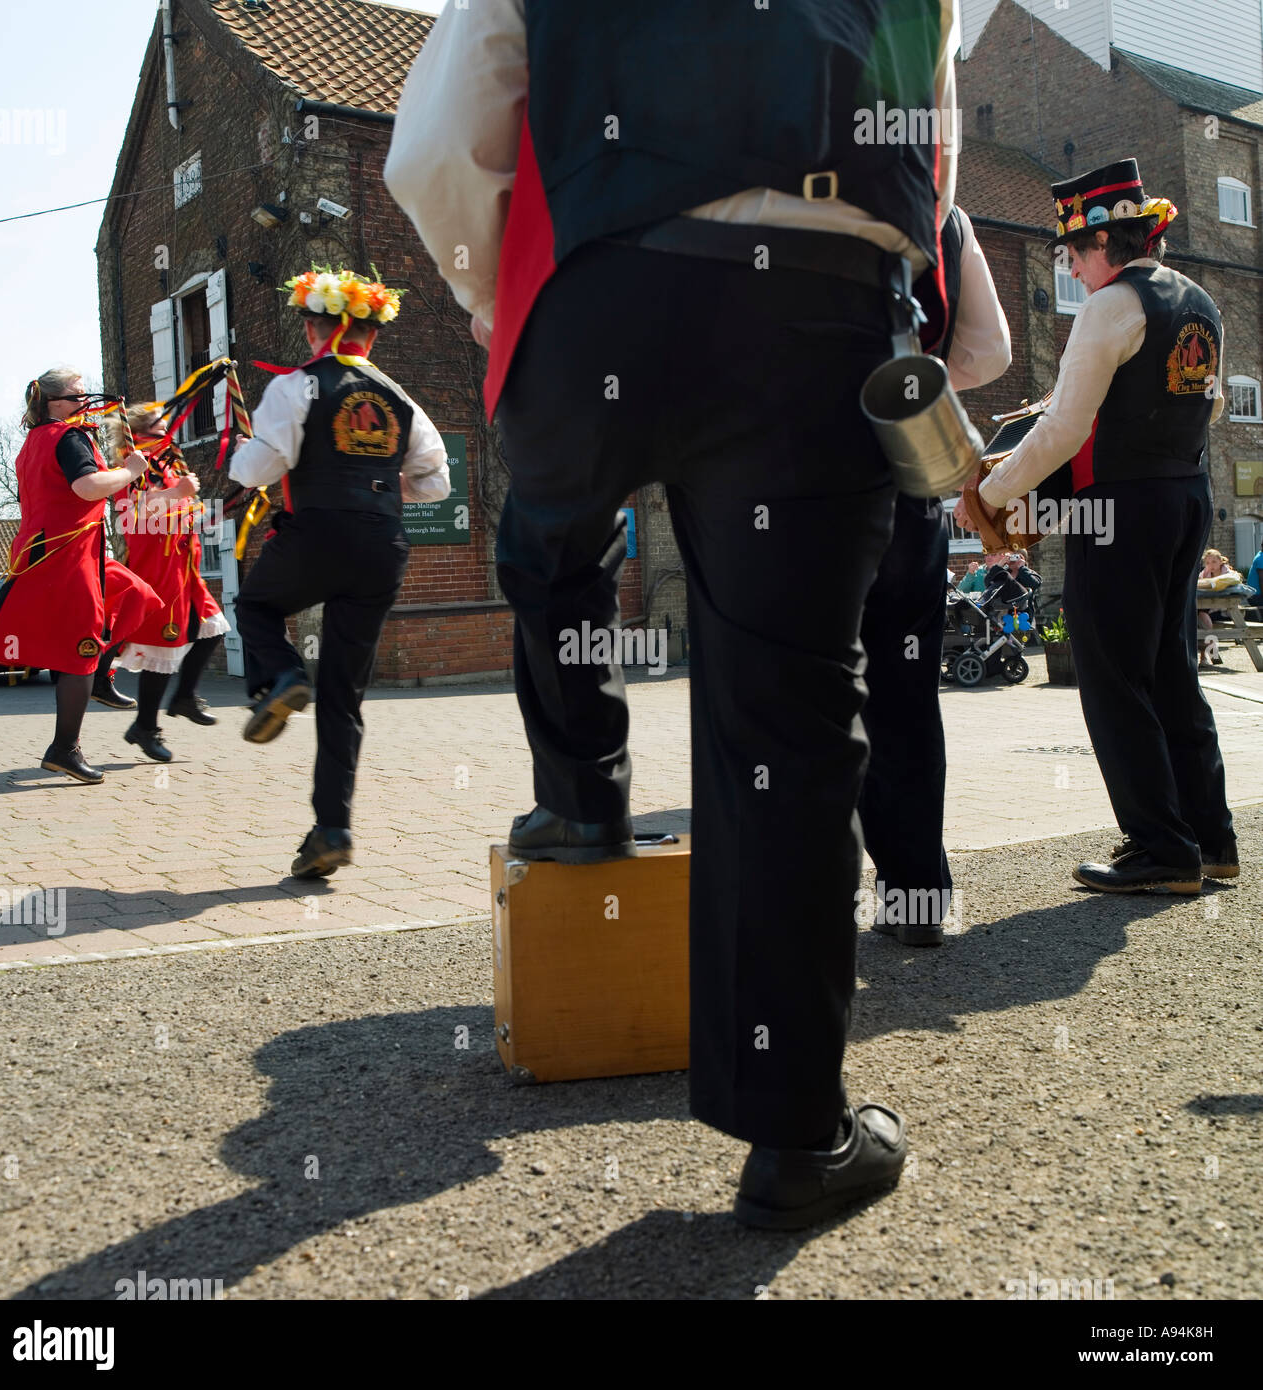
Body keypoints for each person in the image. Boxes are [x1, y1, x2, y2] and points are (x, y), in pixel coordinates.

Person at [387, 0, 959, 1229]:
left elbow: (433, 153)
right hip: (818, 306)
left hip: (602, 290)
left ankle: (580, 796)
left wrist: (502, 306)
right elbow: (932, 158)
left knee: (545, 543)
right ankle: (797, 1131)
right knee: (787, 720)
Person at [958, 159, 1236, 891]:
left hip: (1119, 510)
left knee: (1114, 678)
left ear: (1105, 244)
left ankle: (1160, 850)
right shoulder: (1199, 299)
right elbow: (1206, 414)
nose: (1074, 270)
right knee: (1173, 671)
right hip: (1186, 496)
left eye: (1075, 254)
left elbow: (1059, 431)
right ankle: (1211, 840)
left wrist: (990, 492)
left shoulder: (1110, 307)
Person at [229, 268, 450, 879]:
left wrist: (242, 457)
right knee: (345, 700)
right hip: (381, 544)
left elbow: (259, 469)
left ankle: (282, 676)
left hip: (316, 534)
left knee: (256, 608)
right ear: (371, 335)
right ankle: (332, 831)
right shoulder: (401, 399)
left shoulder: (299, 386)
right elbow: (435, 483)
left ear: (315, 326)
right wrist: (374, 481)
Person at [858, 203, 1012, 949]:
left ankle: (788, 914)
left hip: (781, 479)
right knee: (905, 695)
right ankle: (915, 897)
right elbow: (990, 352)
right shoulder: (937, 204)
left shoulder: (754, 164)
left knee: (784, 689)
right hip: (903, 466)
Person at [0, 368, 162, 782]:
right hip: (65, 553)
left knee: (136, 596)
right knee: (81, 647)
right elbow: (87, 486)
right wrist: (130, 471)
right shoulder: (67, 436)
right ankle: (64, 749)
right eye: (77, 395)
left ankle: (98, 676)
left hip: (66, 548)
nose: (85, 400)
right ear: (53, 403)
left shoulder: (34, 442)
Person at [106, 403, 231, 762]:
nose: (171, 428)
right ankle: (146, 726)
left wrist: (197, 509)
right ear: (148, 428)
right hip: (157, 569)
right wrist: (178, 495)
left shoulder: (167, 461)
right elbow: (131, 508)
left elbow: (180, 510)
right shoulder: (135, 464)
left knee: (213, 630)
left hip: (183, 564)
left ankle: (184, 697)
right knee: (161, 649)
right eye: (163, 423)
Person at [1195, 548, 1241, 666]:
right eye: (1208, 563)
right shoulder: (1204, 575)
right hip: (1206, 610)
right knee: (1198, 618)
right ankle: (1207, 654)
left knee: (1201, 618)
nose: (1211, 565)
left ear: (1220, 561)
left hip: (1224, 610)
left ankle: (1207, 653)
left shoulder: (1228, 575)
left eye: (1214, 562)